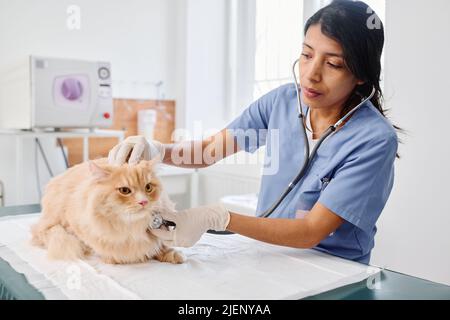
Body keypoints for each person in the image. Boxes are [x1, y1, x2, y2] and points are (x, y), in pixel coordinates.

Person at [108, 0, 399, 264]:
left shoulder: (373, 139)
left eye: (333, 63)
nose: (311, 73)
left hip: (333, 271)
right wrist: (158, 150)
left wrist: (220, 218)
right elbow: (210, 150)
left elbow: (311, 231)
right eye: (307, 55)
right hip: (268, 256)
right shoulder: (281, 103)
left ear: (361, 74)